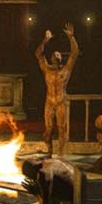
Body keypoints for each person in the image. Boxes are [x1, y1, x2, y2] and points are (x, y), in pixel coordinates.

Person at [35, 23, 79, 156]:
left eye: (58, 54)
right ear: (51, 58)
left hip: (60, 102)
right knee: (48, 129)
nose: (56, 55)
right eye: (54, 54)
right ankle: (49, 151)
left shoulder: (65, 70)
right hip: (49, 102)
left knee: (61, 128)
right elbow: (38, 54)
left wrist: (71, 37)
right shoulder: (47, 69)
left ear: (61, 58)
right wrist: (45, 40)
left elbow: (74, 54)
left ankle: (60, 153)